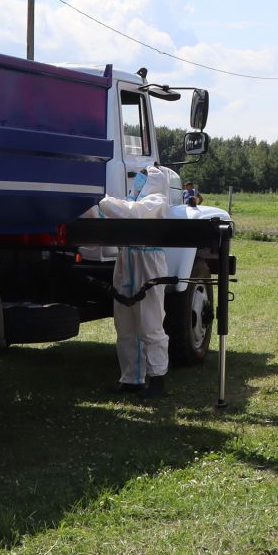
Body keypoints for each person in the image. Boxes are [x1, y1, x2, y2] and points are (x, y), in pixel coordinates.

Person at [90, 163, 179, 397]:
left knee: (150, 323)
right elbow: (105, 215)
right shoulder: (130, 201)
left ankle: (158, 380)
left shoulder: (157, 201)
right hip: (125, 259)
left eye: (143, 178)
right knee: (125, 324)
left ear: (153, 182)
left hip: (148, 262)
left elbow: (132, 213)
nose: (137, 182)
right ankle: (131, 379)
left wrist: (102, 199)